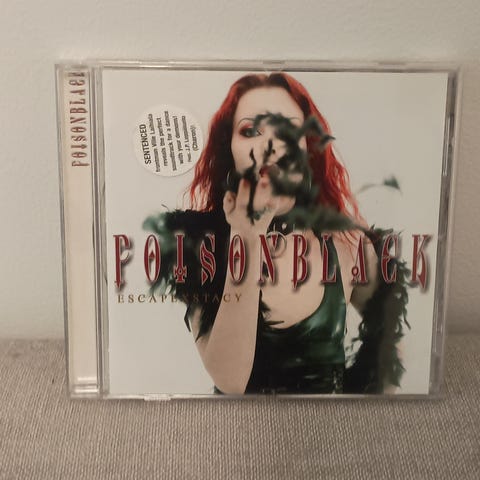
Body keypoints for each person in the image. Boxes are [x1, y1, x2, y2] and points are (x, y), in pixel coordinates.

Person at [144, 73, 408, 395]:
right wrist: (247, 237)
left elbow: (389, 340)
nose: (268, 146)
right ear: (229, 149)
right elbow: (231, 383)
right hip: (238, 426)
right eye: (249, 131)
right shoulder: (198, 249)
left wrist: (367, 410)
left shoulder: (345, 243)